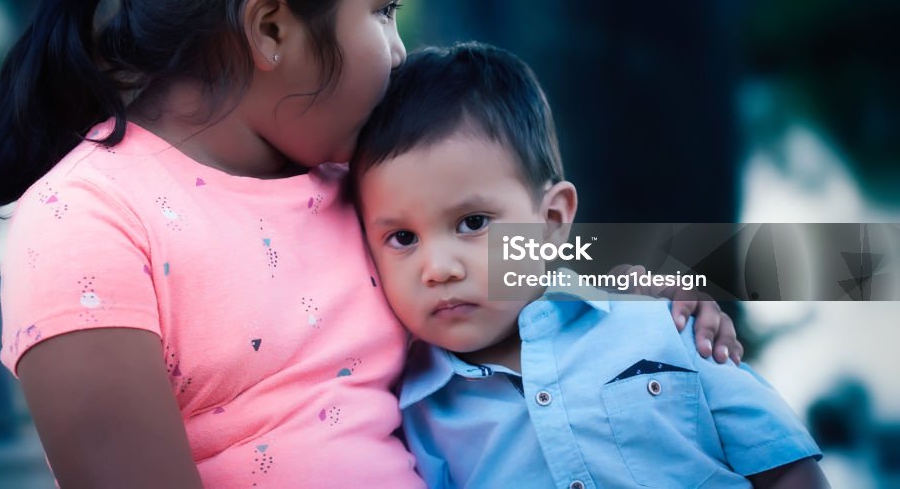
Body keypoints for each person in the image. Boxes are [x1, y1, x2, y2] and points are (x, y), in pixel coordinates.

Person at [0, 0, 742, 486]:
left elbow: (544, 254)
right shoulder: (89, 222)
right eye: (385, 8)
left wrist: (666, 291)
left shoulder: (363, 179)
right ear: (272, 26)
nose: (398, 50)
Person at [351, 42, 827, 489]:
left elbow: (785, 468)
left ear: (552, 220)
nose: (438, 268)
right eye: (402, 238)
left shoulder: (664, 322)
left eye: (473, 222)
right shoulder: (415, 419)